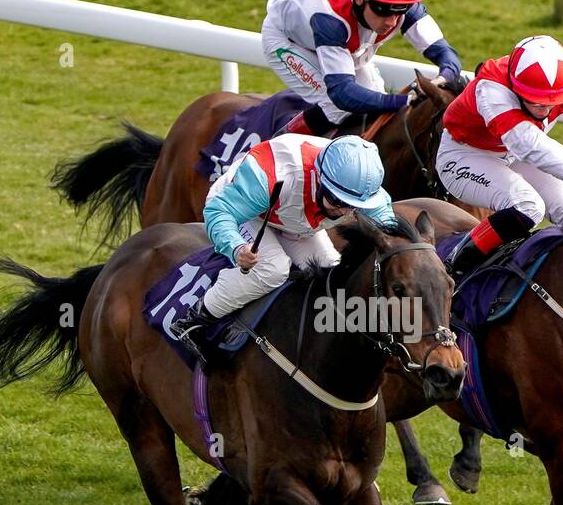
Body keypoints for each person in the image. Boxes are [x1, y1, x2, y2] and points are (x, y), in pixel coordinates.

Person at [168, 135, 397, 355]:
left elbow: (387, 222)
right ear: (319, 178)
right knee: (273, 269)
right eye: (338, 201)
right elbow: (219, 212)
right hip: (244, 211)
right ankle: (194, 319)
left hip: (294, 221)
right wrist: (236, 247)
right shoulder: (271, 174)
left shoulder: (359, 183)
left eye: (353, 205)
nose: (345, 212)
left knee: (335, 276)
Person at [437, 34, 563, 278]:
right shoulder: (492, 88)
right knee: (528, 206)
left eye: (554, 102)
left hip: (516, 157)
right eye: (537, 103)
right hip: (465, 155)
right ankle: (451, 270)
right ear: (516, 88)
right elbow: (529, 145)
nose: (546, 109)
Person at [260, 0, 463, 137]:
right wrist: (405, 101)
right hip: (287, 39)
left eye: (400, 11)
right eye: (382, 10)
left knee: (375, 104)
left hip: (344, 43)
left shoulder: (396, 1)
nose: (391, 22)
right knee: (337, 108)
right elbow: (343, 94)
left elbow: (447, 55)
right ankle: (269, 152)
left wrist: (444, 77)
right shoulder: (331, 18)